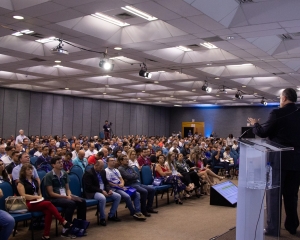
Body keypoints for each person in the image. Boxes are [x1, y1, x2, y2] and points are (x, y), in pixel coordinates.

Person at [248, 88, 300, 236]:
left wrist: (254, 124)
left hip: (278, 160)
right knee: (291, 195)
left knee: (274, 194)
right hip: (296, 160)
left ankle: (273, 228)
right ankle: (292, 226)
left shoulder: (277, 113)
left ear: (283, 98)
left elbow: (263, 132)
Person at [17, 163, 73, 239]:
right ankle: (63, 221)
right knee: (48, 203)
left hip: (37, 201)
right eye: (28, 169)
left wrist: (39, 197)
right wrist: (36, 197)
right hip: (27, 203)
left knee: (48, 211)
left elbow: (39, 193)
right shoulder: (21, 183)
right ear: (24, 171)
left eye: (31, 169)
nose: (30, 171)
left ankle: (46, 235)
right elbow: (23, 196)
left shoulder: (35, 181)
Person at [45, 157, 87, 227]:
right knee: (71, 203)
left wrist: (69, 195)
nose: (61, 164)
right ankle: (67, 227)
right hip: (54, 198)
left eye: (61, 162)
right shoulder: (48, 176)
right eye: (58, 162)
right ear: (53, 165)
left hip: (65, 196)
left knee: (82, 201)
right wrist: (66, 197)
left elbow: (67, 189)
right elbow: (51, 193)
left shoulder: (64, 174)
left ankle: (80, 225)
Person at [105, 156, 146, 221]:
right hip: (114, 188)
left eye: (114, 160)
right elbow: (108, 182)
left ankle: (138, 211)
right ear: (107, 162)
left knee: (137, 193)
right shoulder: (106, 171)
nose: (113, 162)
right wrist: (117, 185)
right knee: (127, 196)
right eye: (111, 160)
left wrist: (122, 184)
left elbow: (121, 179)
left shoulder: (116, 170)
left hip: (121, 187)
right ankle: (133, 212)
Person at [83, 160, 121, 226]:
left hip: (103, 190)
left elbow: (106, 183)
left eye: (102, 167)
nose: (101, 169)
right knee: (102, 198)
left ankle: (111, 215)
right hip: (93, 192)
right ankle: (102, 218)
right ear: (96, 165)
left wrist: (109, 190)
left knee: (118, 196)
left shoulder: (102, 172)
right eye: (100, 167)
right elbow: (89, 187)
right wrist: (101, 191)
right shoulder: (88, 173)